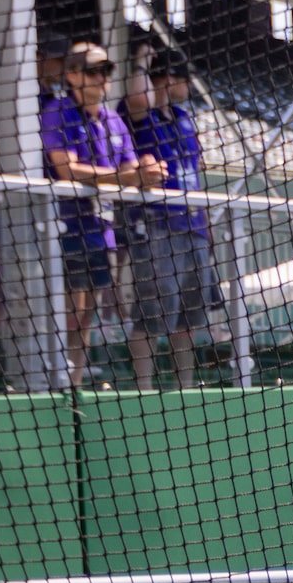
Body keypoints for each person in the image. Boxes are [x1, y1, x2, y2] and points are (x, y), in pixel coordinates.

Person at [41, 45, 160, 388]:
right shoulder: (57, 111)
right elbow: (67, 170)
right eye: (94, 70)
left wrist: (148, 170)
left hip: (100, 231)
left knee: (84, 320)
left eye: (107, 70)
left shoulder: (112, 119)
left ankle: (73, 387)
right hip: (61, 230)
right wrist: (128, 177)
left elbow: (128, 166)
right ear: (72, 75)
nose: (102, 78)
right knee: (66, 317)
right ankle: (56, 386)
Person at [120, 55, 207, 390]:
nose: (187, 85)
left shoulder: (185, 117)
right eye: (181, 77)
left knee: (189, 318)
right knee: (153, 315)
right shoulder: (144, 117)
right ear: (167, 79)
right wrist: (142, 60)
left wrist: (207, 227)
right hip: (158, 228)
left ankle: (183, 385)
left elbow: (196, 172)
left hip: (193, 228)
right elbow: (138, 99)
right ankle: (144, 387)